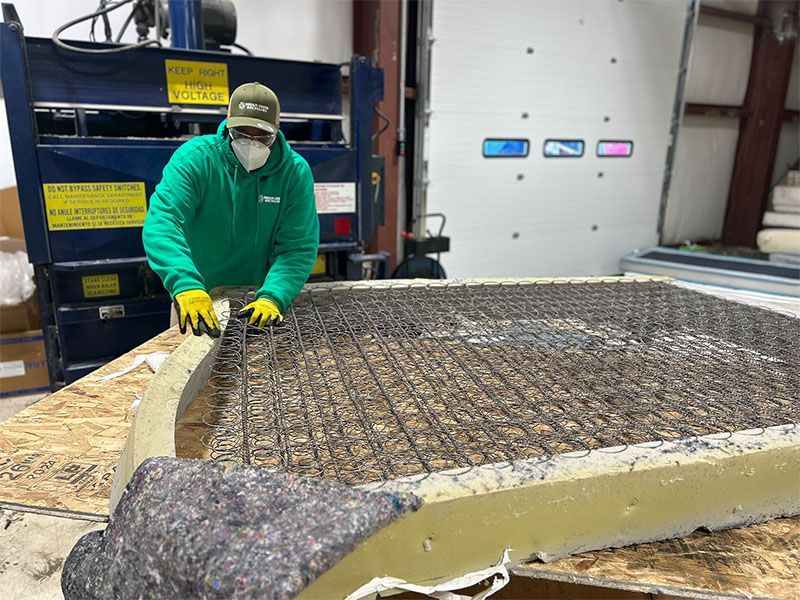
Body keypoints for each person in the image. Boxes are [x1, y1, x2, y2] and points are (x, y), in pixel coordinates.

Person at [143, 82, 320, 337]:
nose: (251, 144)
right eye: (241, 134)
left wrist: (273, 296)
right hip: (198, 300)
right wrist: (185, 285)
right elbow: (163, 222)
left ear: (277, 132)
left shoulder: (293, 173)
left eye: (262, 137)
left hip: (258, 303)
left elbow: (297, 247)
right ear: (227, 126)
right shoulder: (196, 159)